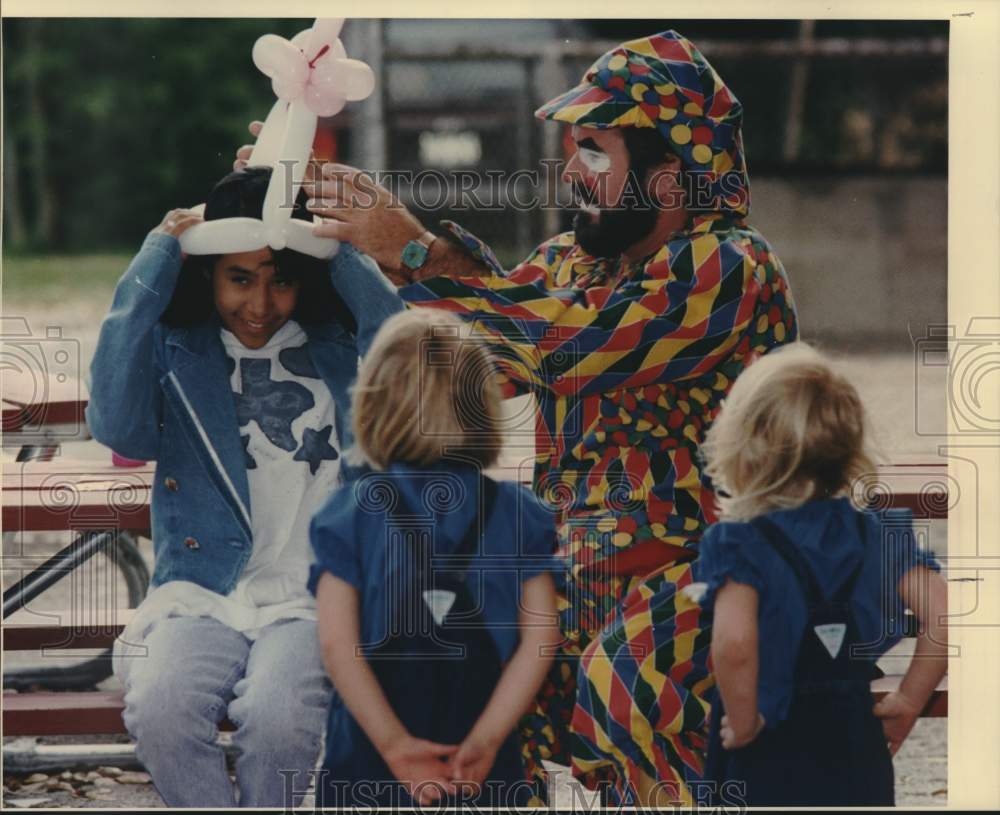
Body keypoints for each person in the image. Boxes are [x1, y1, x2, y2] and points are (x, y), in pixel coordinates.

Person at [241, 29, 799, 801]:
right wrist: (314, 221)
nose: (572, 169)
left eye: (596, 150)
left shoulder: (729, 264)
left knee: (624, 683)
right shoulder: (575, 263)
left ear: (671, 177)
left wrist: (407, 249)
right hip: (575, 570)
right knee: (451, 674)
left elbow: (557, 344)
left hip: (709, 565)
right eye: (574, 148)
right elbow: (479, 356)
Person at [87, 167, 404, 807]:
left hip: (315, 598)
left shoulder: (345, 353)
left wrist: (340, 253)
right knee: (162, 709)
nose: (259, 304)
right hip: (200, 593)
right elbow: (118, 425)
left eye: (280, 278)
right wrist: (155, 261)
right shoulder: (181, 353)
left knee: (281, 718)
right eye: (239, 278)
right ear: (207, 273)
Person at [308, 308, 562, 808]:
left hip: (372, 745)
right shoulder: (520, 514)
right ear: (483, 407)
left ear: (375, 407)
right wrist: (488, 740)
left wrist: (396, 748)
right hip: (479, 748)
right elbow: (540, 639)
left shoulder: (350, 512)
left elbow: (338, 645)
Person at [691, 342, 947, 807]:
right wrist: (909, 700)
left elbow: (734, 646)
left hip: (770, 743)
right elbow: (944, 616)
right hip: (855, 741)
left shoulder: (739, 546)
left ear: (743, 449)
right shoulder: (880, 536)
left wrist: (745, 720)